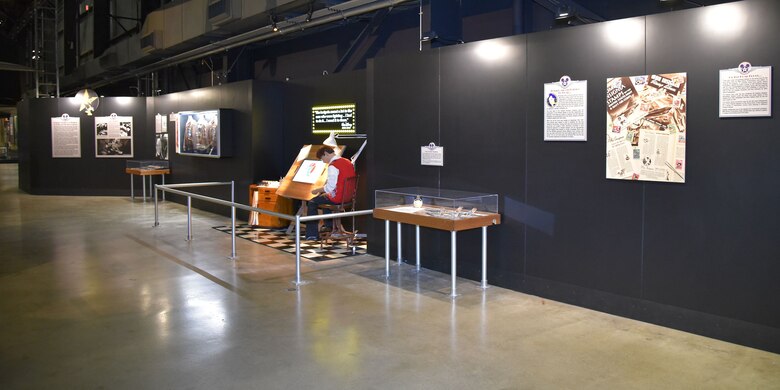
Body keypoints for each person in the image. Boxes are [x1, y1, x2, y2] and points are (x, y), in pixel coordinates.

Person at [305, 146, 356, 240]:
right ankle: (330, 227)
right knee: (325, 198)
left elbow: (329, 188)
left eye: (322, 158)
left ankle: (312, 234)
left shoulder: (333, 166)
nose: (323, 161)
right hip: (348, 197)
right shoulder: (347, 161)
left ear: (326, 154)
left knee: (312, 202)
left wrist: (317, 190)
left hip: (338, 198)